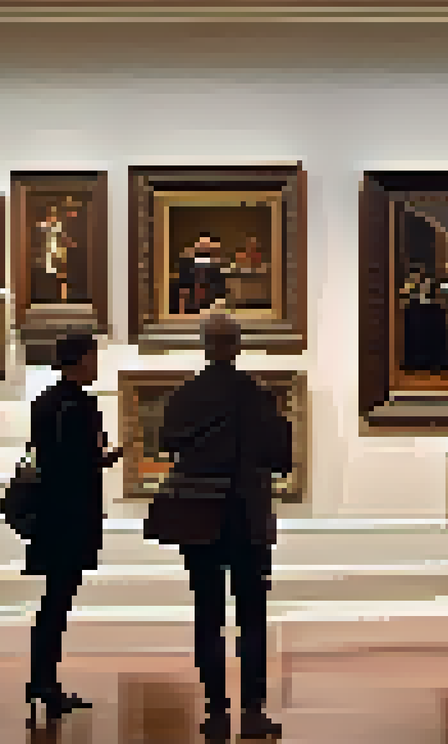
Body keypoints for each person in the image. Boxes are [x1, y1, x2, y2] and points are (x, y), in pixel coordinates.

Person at [151, 315, 291, 743]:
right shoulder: (257, 396)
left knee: (207, 614)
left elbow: (165, 442)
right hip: (246, 517)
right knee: (252, 617)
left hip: (200, 516)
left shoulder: (186, 396)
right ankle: (252, 711)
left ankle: (215, 710)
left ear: (205, 345)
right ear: (237, 345)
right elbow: (281, 457)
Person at [24, 333, 122, 726]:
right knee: (57, 600)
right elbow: (79, 462)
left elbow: (49, 457)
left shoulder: (46, 403)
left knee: (54, 599)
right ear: (78, 360)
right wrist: (104, 457)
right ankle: (44, 681)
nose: (96, 366)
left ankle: (42, 679)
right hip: (71, 515)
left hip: (50, 514)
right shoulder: (80, 405)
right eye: (92, 358)